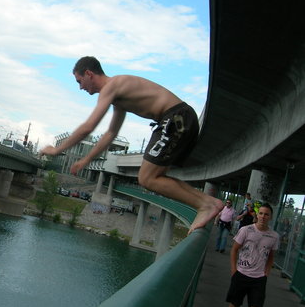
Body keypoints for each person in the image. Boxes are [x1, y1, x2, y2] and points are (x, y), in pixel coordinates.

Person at [39, 56, 223, 232]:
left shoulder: (112, 86)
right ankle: (209, 203)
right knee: (157, 176)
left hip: (175, 118)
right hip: (179, 118)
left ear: (89, 73)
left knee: (146, 178)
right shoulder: (118, 97)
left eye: (79, 81)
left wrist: (57, 150)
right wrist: (86, 160)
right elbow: (111, 133)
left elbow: (88, 127)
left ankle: (205, 205)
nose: (80, 88)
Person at [218, 203, 279, 307]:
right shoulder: (246, 230)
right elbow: (234, 249)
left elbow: (271, 256)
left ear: (270, 217)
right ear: (256, 215)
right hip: (241, 274)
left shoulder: (274, 236)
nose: (263, 217)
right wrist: (234, 271)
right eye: (261, 213)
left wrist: (266, 273)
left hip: (259, 278)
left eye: (267, 214)